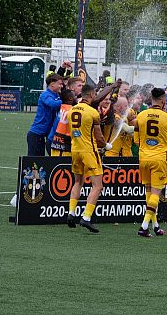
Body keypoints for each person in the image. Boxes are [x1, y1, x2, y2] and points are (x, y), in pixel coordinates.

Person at [66, 85, 111, 233]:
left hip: (75, 149)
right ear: (91, 94)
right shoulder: (93, 112)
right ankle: (86, 217)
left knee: (78, 181)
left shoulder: (72, 110)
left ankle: (71, 213)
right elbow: (98, 136)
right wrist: (106, 145)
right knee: (97, 186)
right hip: (89, 151)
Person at [135, 87, 167, 237]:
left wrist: (145, 148)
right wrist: (166, 155)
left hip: (144, 157)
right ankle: (144, 226)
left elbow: (136, 140)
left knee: (149, 191)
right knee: (156, 193)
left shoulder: (141, 115)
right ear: (163, 100)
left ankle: (155, 225)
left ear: (150, 99)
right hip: (159, 158)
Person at [27, 73, 63, 156]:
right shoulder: (45, 95)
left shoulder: (56, 94)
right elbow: (52, 104)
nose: (61, 86)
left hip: (46, 133)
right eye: (59, 84)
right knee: (35, 162)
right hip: (36, 133)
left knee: (42, 161)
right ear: (52, 84)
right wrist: (65, 102)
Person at [49, 89, 76, 156]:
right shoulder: (71, 111)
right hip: (64, 147)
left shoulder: (62, 108)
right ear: (70, 98)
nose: (76, 97)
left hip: (55, 143)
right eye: (75, 96)